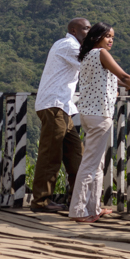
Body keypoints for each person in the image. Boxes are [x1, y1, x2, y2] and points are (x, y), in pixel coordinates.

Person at [67, 23, 130, 223]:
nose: (110, 40)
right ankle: (78, 210)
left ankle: (94, 207)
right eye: (107, 36)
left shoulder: (86, 55)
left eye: (112, 37)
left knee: (97, 163)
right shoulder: (101, 54)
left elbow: (113, 80)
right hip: (100, 115)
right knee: (90, 164)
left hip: (88, 114)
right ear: (97, 36)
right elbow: (124, 75)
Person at [31, 18, 90, 213]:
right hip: (54, 105)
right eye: (85, 28)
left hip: (64, 108)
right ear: (74, 30)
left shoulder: (68, 45)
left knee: (76, 154)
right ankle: (41, 201)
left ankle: (78, 200)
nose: (88, 31)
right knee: (51, 155)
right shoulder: (68, 45)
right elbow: (91, 67)